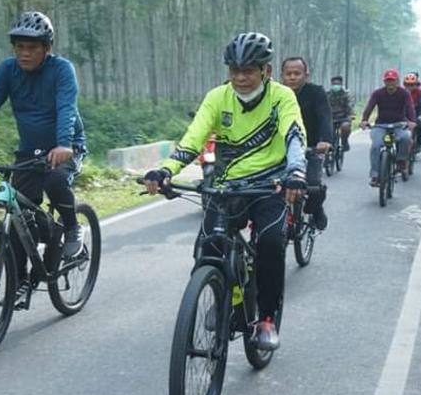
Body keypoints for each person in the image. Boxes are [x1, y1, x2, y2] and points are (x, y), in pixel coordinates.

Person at [143, 32, 307, 351]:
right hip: (225, 186)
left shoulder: (282, 97)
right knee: (208, 245)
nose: (241, 77)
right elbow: (192, 140)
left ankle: (267, 318)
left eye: (249, 70)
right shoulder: (217, 97)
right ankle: (219, 297)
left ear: (266, 71)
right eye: (235, 70)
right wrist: (166, 171)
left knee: (271, 244)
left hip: (269, 186)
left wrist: (296, 171)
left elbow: (294, 134)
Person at [0, 10, 88, 280]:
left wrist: (63, 144)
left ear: (47, 48)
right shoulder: (7, 71)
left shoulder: (62, 70)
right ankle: (19, 280)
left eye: (32, 48)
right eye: (19, 47)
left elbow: (66, 109)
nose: (24, 53)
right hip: (29, 152)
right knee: (19, 216)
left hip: (67, 145)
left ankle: (71, 227)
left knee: (55, 182)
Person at [280, 56, 332, 230]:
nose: (293, 77)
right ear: (282, 76)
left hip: (310, 147)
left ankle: (316, 210)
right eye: (289, 74)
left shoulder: (316, 92)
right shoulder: (275, 94)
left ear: (306, 75)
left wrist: (325, 140)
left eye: (297, 73)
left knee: (313, 187)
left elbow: (325, 116)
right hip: (280, 148)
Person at [359, 69, 416, 186]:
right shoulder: (378, 93)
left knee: (406, 137)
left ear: (397, 81)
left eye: (392, 81)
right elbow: (370, 107)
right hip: (381, 125)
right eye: (388, 81)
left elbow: (410, 108)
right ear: (384, 82)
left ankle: (401, 161)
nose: (390, 83)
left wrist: (412, 121)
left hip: (399, 124)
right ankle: (375, 175)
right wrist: (364, 120)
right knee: (375, 146)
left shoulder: (404, 94)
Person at [326, 75, 355, 152]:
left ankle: (344, 141)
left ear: (341, 84)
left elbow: (350, 106)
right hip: (330, 117)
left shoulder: (346, 94)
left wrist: (351, 115)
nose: (336, 86)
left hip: (343, 117)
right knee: (326, 130)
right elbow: (322, 106)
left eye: (337, 84)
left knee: (345, 127)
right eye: (334, 84)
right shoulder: (327, 94)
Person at [403, 73, 421, 153]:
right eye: (408, 85)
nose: (410, 87)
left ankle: (419, 143)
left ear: (416, 85)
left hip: (416, 112)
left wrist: (420, 115)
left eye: (412, 85)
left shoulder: (419, 92)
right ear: (405, 85)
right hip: (404, 114)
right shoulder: (401, 92)